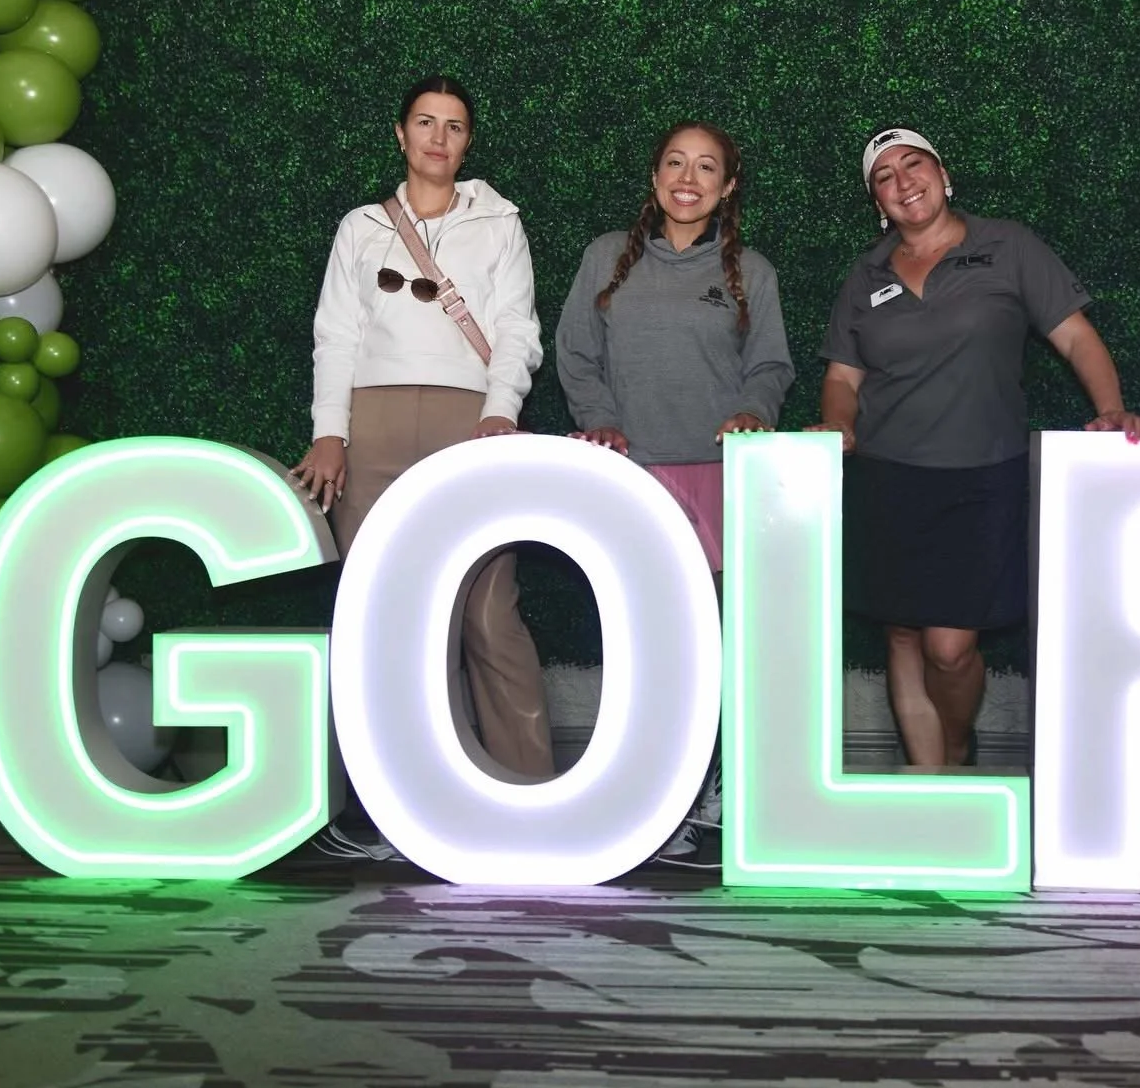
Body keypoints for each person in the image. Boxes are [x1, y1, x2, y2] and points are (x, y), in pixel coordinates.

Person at [811, 127, 1140, 768]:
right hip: (887, 476)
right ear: (876, 201)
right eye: (884, 177)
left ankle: (957, 745)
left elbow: (1077, 337)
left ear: (944, 175)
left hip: (982, 475)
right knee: (904, 633)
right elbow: (842, 376)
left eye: (913, 165)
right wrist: (840, 425)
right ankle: (927, 778)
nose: (902, 181)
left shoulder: (1008, 246)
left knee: (950, 647)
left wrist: (1110, 411)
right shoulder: (867, 273)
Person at [292, 74, 554, 788]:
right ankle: (388, 797)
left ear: (468, 141)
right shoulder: (360, 225)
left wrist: (501, 407)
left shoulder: (500, 221)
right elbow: (335, 335)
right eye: (426, 122)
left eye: (455, 125)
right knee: (382, 613)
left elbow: (516, 328)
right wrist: (329, 433)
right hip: (370, 426)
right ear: (400, 134)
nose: (439, 137)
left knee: (488, 610)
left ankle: (527, 789)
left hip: (468, 423)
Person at [555, 120, 795, 859]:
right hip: (631, 482)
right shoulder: (605, 258)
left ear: (727, 187)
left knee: (715, 648)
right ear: (655, 176)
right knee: (647, 645)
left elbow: (771, 366)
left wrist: (755, 412)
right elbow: (574, 355)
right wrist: (599, 420)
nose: (687, 178)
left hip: (719, 480)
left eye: (706, 168)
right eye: (674, 163)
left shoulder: (749, 270)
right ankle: (651, 794)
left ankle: (717, 788)